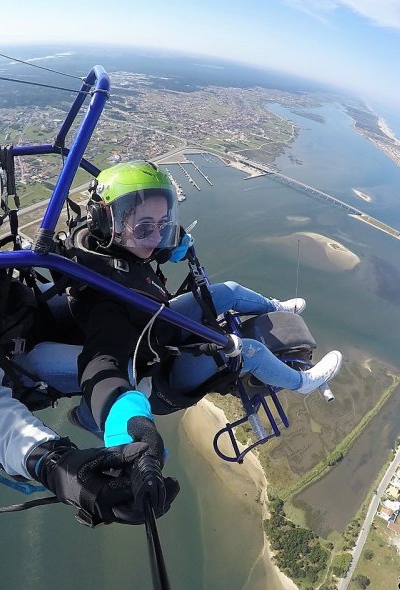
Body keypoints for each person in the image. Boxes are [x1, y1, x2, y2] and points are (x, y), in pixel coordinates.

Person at [0, 112, 177, 525]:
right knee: (136, 362)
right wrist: (59, 467)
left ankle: (109, 405)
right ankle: (102, 413)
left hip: (20, 318)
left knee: (115, 310)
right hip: (14, 359)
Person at [68, 160, 342, 457]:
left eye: (163, 224)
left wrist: (173, 243)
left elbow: (142, 244)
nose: (157, 237)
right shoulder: (104, 297)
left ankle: (276, 307)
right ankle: (302, 383)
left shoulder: (106, 242)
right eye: (146, 227)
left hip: (156, 326)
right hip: (158, 372)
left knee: (228, 291)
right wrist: (124, 423)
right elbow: (102, 363)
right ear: (106, 220)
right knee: (248, 351)